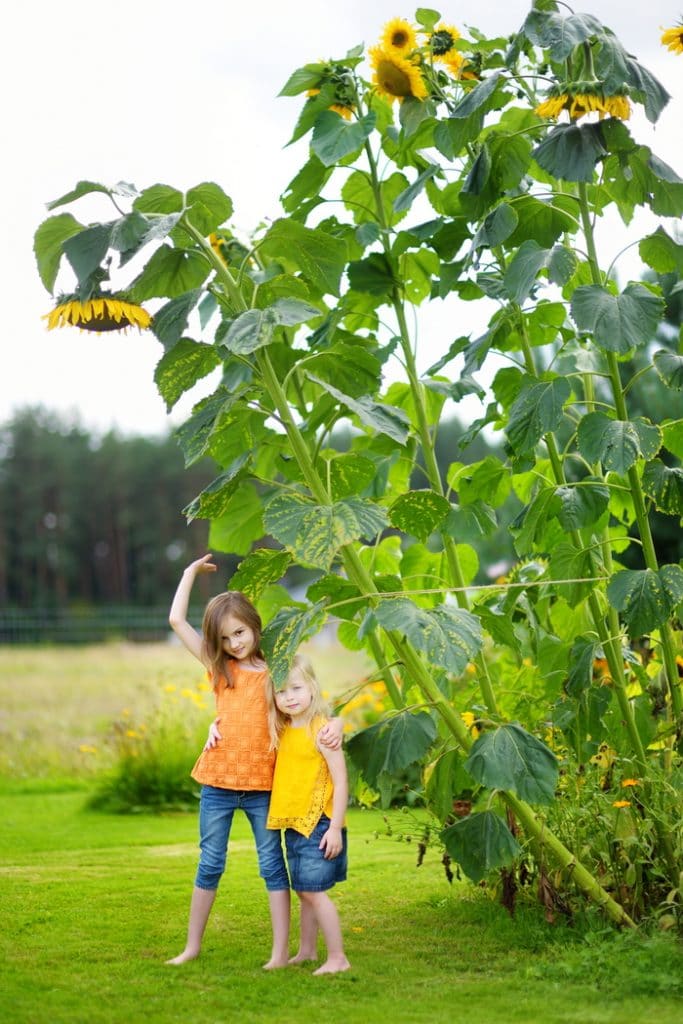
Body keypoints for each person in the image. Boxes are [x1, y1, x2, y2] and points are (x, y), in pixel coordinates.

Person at [165, 553, 342, 968]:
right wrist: (189, 574)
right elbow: (177, 622)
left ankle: (280, 955)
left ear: (254, 625)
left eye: (240, 633)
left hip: (264, 787)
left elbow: (312, 705)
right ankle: (192, 947)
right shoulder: (219, 668)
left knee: (271, 866)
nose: (235, 644)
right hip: (219, 784)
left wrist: (340, 724)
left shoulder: (275, 672)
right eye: (225, 639)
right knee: (210, 861)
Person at [267, 654, 350, 975]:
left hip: (320, 823)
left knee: (314, 892)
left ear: (313, 688)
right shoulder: (284, 728)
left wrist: (335, 828)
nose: (289, 697)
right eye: (281, 691)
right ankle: (307, 950)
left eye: (296, 688)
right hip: (296, 824)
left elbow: (341, 781)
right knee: (304, 889)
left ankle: (338, 958)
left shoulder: (323, 731)